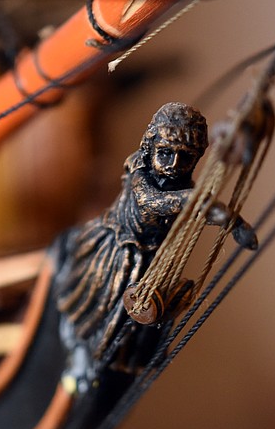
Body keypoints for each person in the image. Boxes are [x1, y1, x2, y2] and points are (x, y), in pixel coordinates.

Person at [51, 102, 255, 367]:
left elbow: (202, 212)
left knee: (139, 329)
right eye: (166, 153)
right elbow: (151, 201)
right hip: (118, 251)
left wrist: (233, 222)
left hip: (151, 265)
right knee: (95, 311)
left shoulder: (185, 189)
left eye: (186, 158)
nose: (173, 165)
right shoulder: (140, 173)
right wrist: (196, 200)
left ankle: (119, 363)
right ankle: (80, 355)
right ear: (150, 146)